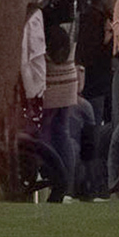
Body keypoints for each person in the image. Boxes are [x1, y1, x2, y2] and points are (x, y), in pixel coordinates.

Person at [40, 23, 95, 198]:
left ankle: (57, 187)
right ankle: (65, 190)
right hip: (68, 75)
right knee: (61, 133)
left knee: (46, 135)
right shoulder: (72, 15)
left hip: (49, 77)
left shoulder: (47, 15)